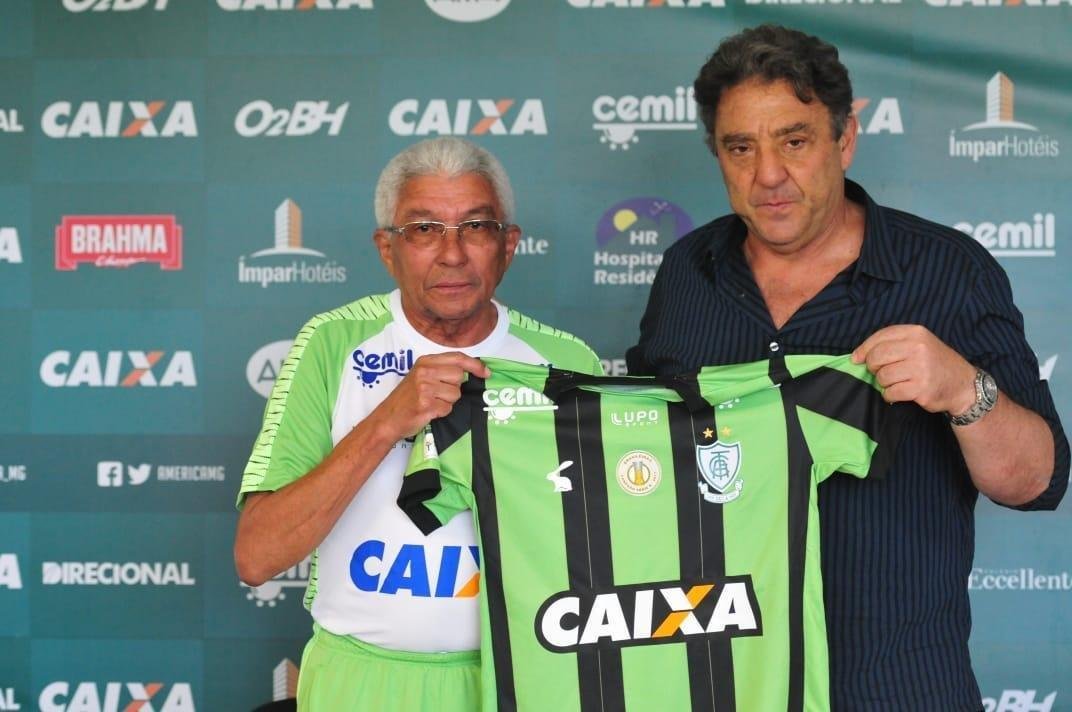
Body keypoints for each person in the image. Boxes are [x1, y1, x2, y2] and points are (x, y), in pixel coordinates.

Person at [626, 24, 1069, 711]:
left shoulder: (945, 270)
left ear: (845, 139)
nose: (767, 174)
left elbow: (1039, 481)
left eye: (794, 142)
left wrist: (962, 389)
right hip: (718, 682)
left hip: (898, 687)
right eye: (740, 147)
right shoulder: (687, 272)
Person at [234, 136, 602, 712]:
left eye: (475, 227)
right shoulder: (331, 343)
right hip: (360, 681)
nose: (452, 253)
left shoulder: (566, 361)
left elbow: (603, 550)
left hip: (521, 679)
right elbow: (257, 556)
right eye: (424, 230)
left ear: (508, 246)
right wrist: (387, 421)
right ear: (387, 249)